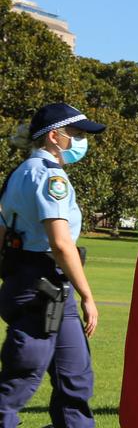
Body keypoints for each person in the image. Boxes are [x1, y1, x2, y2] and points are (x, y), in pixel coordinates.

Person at [0, 103, 103, 428]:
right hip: (40, 284)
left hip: (45, 285)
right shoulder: (49, 176)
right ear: (54, 136)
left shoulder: (19, 173)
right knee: (21, 377)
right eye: (75, 133)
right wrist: (88, 295)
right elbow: (61, 244)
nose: (80, 140)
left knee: (75, 375)